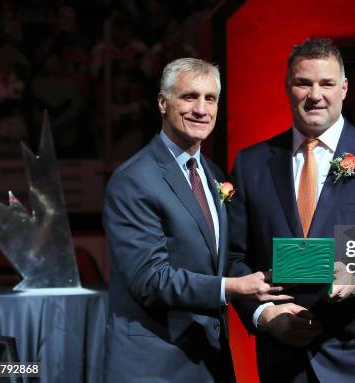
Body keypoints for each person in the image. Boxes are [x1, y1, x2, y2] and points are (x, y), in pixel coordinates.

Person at [228, 38, 355, 382]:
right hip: (284, 362)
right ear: (288, 87)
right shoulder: (251, 163)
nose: (315, 94)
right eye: (304, 82)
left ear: (345, 88)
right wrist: (264, 314)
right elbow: (234, 257)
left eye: (327, 83)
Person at [103, 58, 290, 382]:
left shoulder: (215, 176)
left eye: (210, 98)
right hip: (154, 367)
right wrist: (232, 288)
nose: (201, 109)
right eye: (189, 97)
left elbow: (227, 258)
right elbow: (150, 279)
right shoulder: (133, 180)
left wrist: (267, 308)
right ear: (163, 103)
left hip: (210, 361)